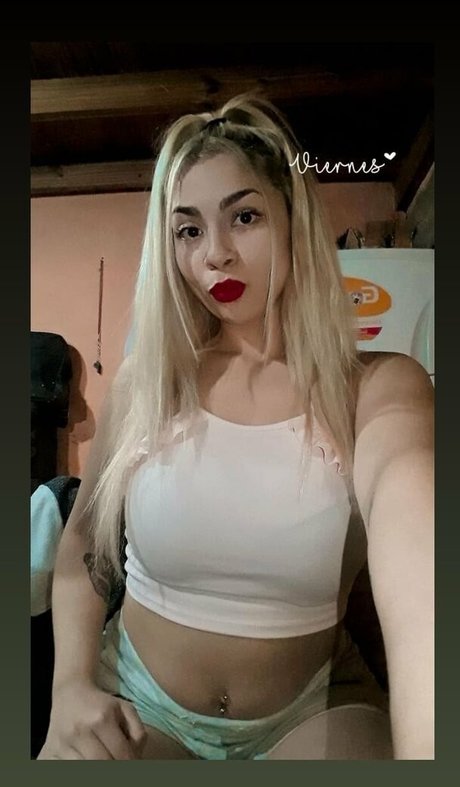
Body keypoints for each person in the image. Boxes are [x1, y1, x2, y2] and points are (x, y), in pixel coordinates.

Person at [37, 94, 434, 760]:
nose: (213, 254)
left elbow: (420, 547)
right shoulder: (147, 380)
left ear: (292, 222)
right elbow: (84, 549)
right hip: (135, 702)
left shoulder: (378, 387)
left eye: (243, 217)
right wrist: (68, 686)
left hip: (311, 711)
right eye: (188, 230)